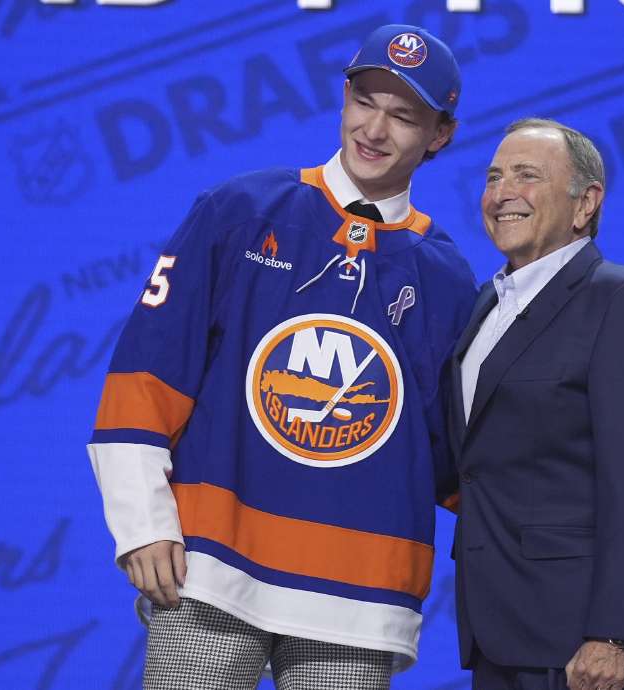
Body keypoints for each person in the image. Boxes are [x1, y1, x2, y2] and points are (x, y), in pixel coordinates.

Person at [87, 24, 476, 690]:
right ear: (344, 98)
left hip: (360, 595)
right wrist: (143, 523)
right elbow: (147, 374)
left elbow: (455, 456)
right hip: (209, 569)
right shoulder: (240, 211)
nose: (375, 129)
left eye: (403, 115)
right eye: (365, 101)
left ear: (438, 135)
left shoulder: (446, 279)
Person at [448, 118, 624, 690]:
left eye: (527, 176)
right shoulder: (486, 304)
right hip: (495, 631)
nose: (502, 192)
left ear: (587, 203)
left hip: (578, 644)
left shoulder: (620, 300)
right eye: (494, 176)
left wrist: (615, 634)